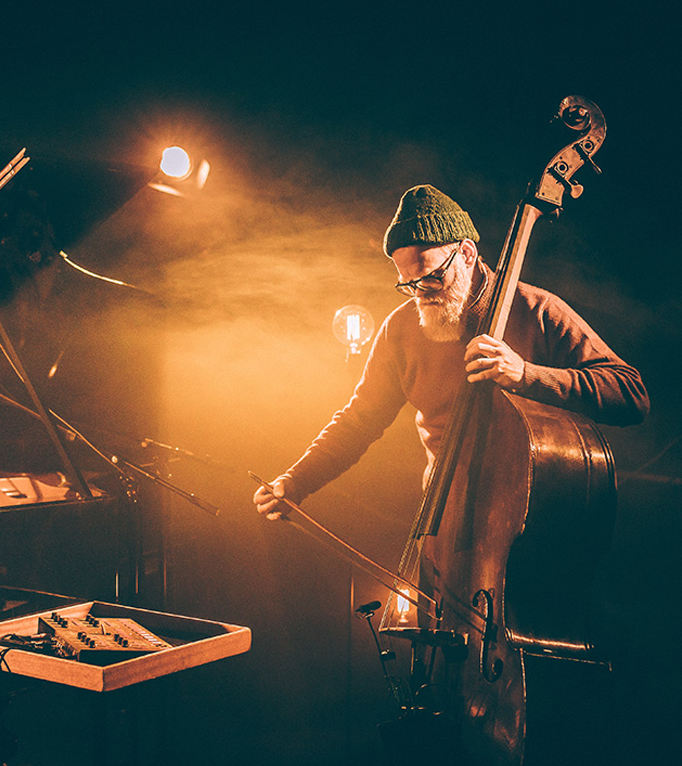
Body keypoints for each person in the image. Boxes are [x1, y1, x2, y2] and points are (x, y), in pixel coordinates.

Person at [254, 184, 648, 519]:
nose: (421, 293)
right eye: (408, 283)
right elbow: (359, 421)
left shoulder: (537, 309)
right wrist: (296, 481)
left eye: (432, 276)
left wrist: (526, 374)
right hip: (446, 519)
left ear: (467, 255)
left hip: (540, 517)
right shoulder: (400, 330)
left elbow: (630, 394)